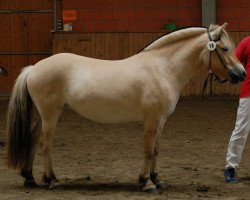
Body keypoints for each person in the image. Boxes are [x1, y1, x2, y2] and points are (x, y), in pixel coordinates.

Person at [224, 36, 250, 183]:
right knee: (241, 130)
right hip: (249, 93)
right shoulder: (247, 42)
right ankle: (230, 168)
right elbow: (233, 61)